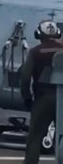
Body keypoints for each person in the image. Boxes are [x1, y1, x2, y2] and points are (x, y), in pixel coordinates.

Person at [20, 20, 63, 164]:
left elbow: (25, 78)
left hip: (43, 99)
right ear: (57, 33)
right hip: (62, 98)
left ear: (38, 34)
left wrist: (26, 97)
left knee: (35, 139)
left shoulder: (35, 52)